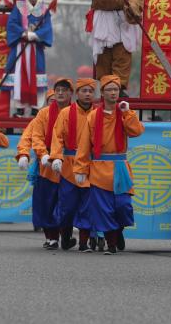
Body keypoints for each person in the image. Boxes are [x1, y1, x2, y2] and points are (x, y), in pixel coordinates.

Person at [75, 75, 143, 255]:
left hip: (120, 167)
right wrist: (80, 168)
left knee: (123, 206)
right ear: (103, 93)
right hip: (99, 167)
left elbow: (136, 131)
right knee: (104, 209)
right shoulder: (93, 116)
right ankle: (111, 243)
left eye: (116, 89)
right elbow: (84, 144)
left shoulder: (125, 113)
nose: (113, 93)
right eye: (109, 89)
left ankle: (118, 230)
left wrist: (128, 113)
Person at [49, 77, 100, 252]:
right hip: (69, 165)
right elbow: (57, 136)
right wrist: (56, 157)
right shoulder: (65, 113)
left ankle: (84, 242)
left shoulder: (98, 113)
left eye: (91, 91)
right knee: (67, 205)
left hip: (90, 165)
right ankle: (65, 236)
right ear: (77, 93)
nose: (87, 94)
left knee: (88, 205)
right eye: (84, 91)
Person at [23, 78, 73, 249]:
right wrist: (42, 154)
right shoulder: (43, 114)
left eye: (64, 90)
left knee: (66, 202)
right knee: (46, 202)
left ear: (71, 93)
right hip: (46, 165)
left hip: (69, 163)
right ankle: (52, 237)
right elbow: (35, 136)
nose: (60, 93)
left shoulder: (76, 112)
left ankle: (66, 236)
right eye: (57, 90)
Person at [2, 0, 54, 116]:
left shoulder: (44, 10)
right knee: (18, 76)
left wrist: (36, 35)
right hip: (20, 47)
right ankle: (19, 107)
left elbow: (47, 28)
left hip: (36, 49)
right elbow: (11, 24)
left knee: (37, 76)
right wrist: (23, 33)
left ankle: (36, 108)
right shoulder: (19, 7)